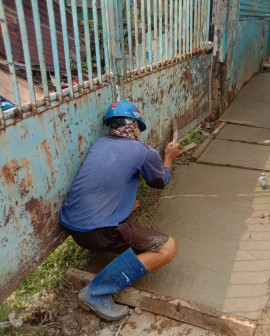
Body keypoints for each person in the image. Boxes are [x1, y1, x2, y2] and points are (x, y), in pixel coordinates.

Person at [59, 100, 180, 321]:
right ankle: (97, 292)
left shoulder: (99, 144)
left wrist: (125, 202)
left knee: (132, 223)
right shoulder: (144, 151)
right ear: (135, 126)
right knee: (168, 248)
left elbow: (106, 183)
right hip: (98, 232)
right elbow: (159, 182)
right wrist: (168, 157)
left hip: (72, 226)